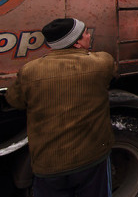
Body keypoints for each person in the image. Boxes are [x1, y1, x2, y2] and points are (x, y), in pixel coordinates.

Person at [6, 18, 117, 197]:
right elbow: (110, 71)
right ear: (77, 43)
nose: (89, 36)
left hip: (48, 164)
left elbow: (15, 101)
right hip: (91, 158)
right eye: (86, 33)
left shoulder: (29, 71)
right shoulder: (101, 63)